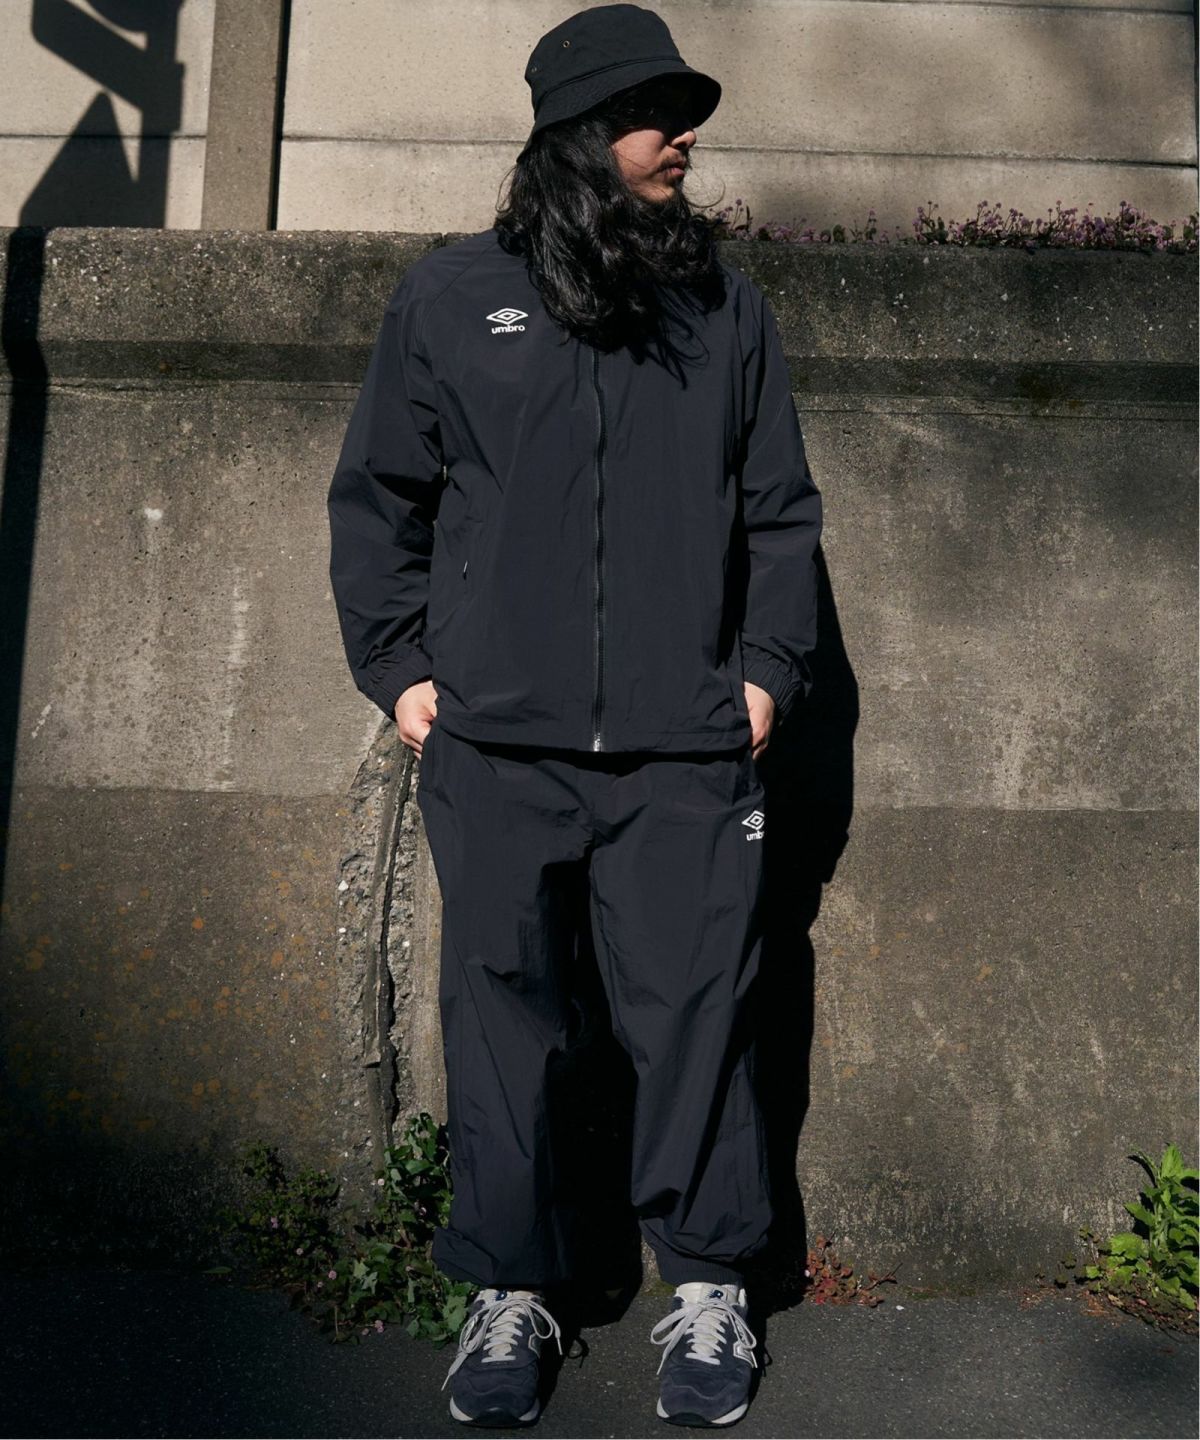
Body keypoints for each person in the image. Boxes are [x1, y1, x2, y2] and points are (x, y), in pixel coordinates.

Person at [327, 4, 822, 1428]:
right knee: (503, 1027)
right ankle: (513, 1291)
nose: (687, 137)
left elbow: (779, 513)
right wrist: (401, 669)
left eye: (686, 112)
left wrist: (764, 673)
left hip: (684, 751)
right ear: (582, 136)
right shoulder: (450, 298)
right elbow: (381, 497)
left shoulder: (721, 307)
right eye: (658, 113)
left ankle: (710, 1289)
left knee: (699, 1021)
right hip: (496, 748)